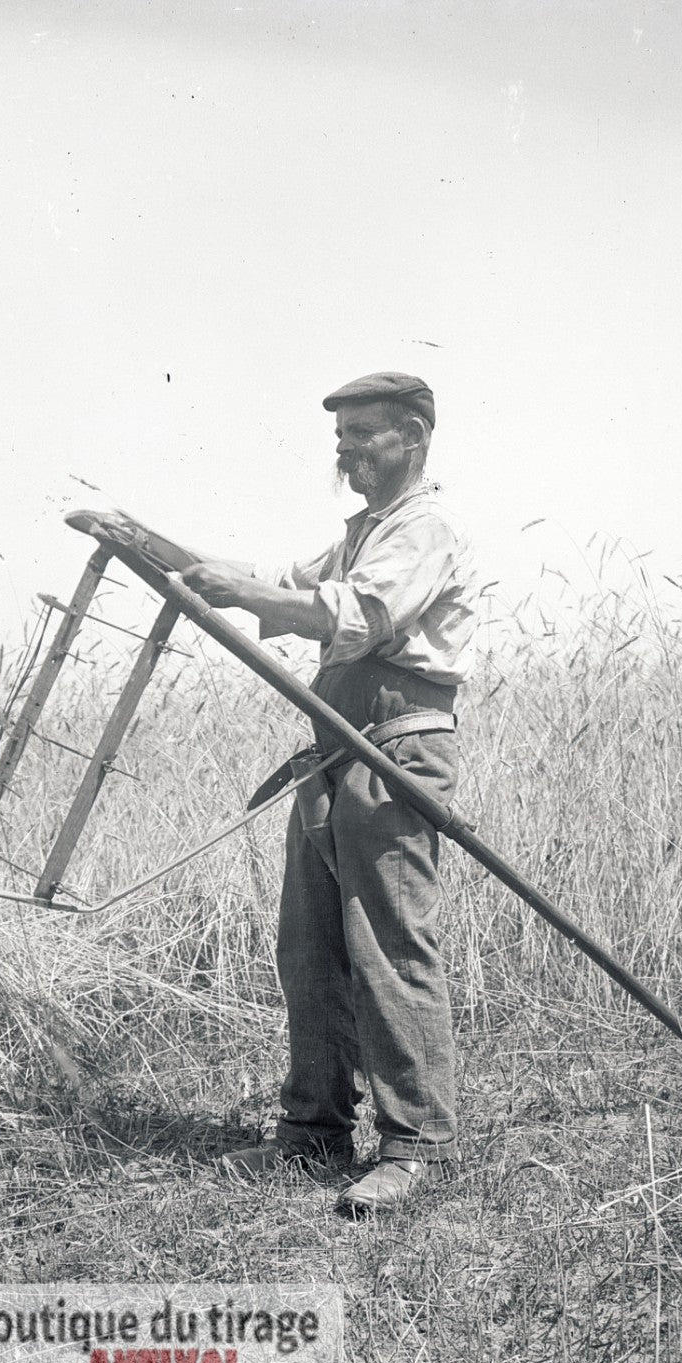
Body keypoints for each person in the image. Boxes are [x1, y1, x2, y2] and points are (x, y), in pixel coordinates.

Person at [91, 372, 476, 1212]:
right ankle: (312, 1135)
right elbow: (271, 579)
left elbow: (354, 614)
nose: (346, 450)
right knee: (308, 949)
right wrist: (144, 542)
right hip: (333, 749)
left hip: (396, 749)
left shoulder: (427, 527)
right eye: (340, 437)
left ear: (413, 435)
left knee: (387, 945)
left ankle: (414, 1145)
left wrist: (244, 594)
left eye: (365, 433)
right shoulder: (360, 532)